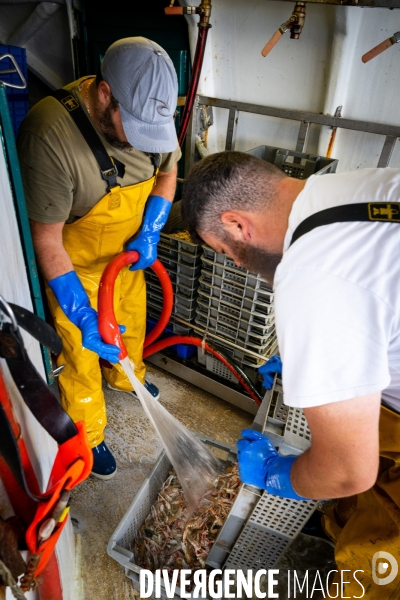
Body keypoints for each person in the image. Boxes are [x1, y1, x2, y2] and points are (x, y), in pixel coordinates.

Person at [181, 151, 400, 598]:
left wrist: (277, 475)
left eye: (226, 250)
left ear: (238, 223)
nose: (237, 264)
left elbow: (348, 472)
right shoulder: (355, 186)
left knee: (374, 569)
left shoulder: (311, 276)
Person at [18, 37, 181, 479]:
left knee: (132, 321)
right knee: (79, 353)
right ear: (104, 93)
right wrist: (81, 312)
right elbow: (46, 240)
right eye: (135, 128)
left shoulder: (153, 113)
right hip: (75, 270)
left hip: (128, 258)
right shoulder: (49, 135)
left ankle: (126, 376)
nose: (145, 142)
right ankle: (88, 435)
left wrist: (151, 231)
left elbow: (168, 172)